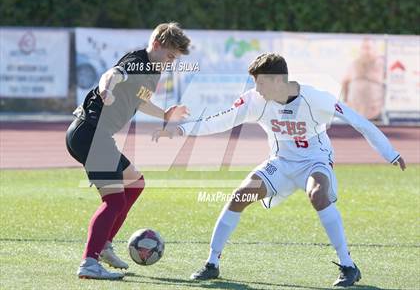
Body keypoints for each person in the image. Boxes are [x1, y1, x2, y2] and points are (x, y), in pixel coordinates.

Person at [153, 53, 406, 287]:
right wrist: (182, 129)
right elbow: (221, 120)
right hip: (281, 163)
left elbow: (359, 122)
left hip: (315, 160)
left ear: (277, 81)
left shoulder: (315, 98)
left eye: (261, 83)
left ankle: (349, 266)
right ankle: (212, 263)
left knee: (318, 194)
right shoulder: (256, 99)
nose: (256, 89)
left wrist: (390, 153)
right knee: (240, 196)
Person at [66, 22, 191, 280]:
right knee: (114, 201)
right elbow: (111, 74)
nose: (170, 63)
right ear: (156, 45)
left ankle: (103, 246)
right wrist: (105, 90)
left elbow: (141, 100)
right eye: (169, 56)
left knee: (135, 183)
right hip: (90, 134)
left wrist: (164, 114)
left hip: (94, 136)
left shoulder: (153, 71)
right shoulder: (137, 62)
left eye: (174, 59)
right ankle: (89, 262)